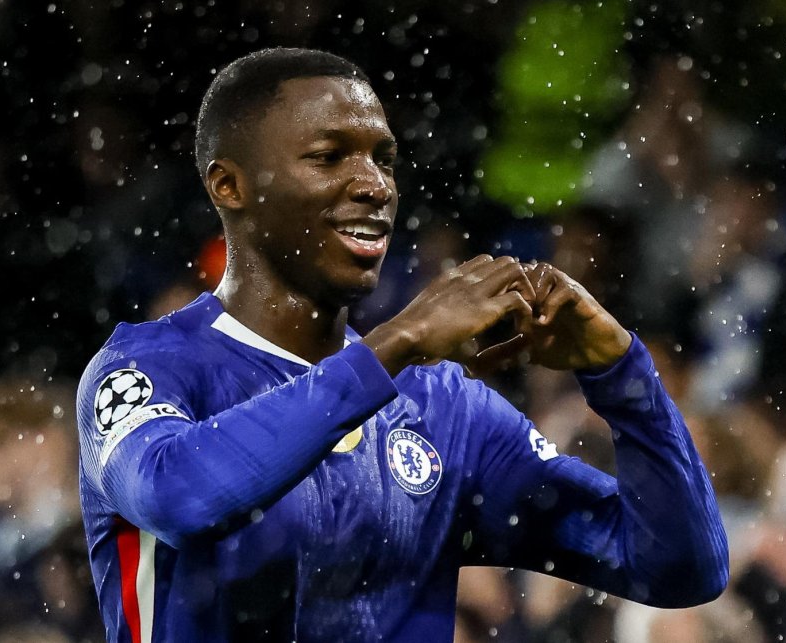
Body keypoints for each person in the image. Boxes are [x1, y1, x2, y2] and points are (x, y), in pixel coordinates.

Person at [75, 47, 729, 642]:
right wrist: (393, 346)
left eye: (383, 158)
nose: (375, 184)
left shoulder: (445, 408)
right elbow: (182, 497)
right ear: (230, 186)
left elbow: (675, 567)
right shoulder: (149, 367)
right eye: (330, 156)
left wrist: (622, 376)